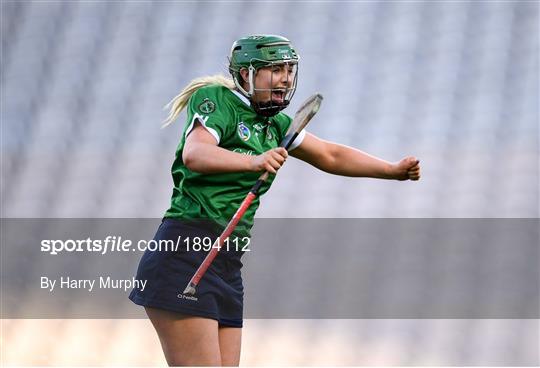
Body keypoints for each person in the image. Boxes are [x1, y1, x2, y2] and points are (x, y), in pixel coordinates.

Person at [129, 34, 421, 366]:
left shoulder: (275, 125)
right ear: (245, 75)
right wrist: (252, 161)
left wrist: (391, 170)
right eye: (274, 69)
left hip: (227, 261)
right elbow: (195, 153)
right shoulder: (215, 100)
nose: (285, 78)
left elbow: (332, 155)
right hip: (186, 252)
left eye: (289, 70)